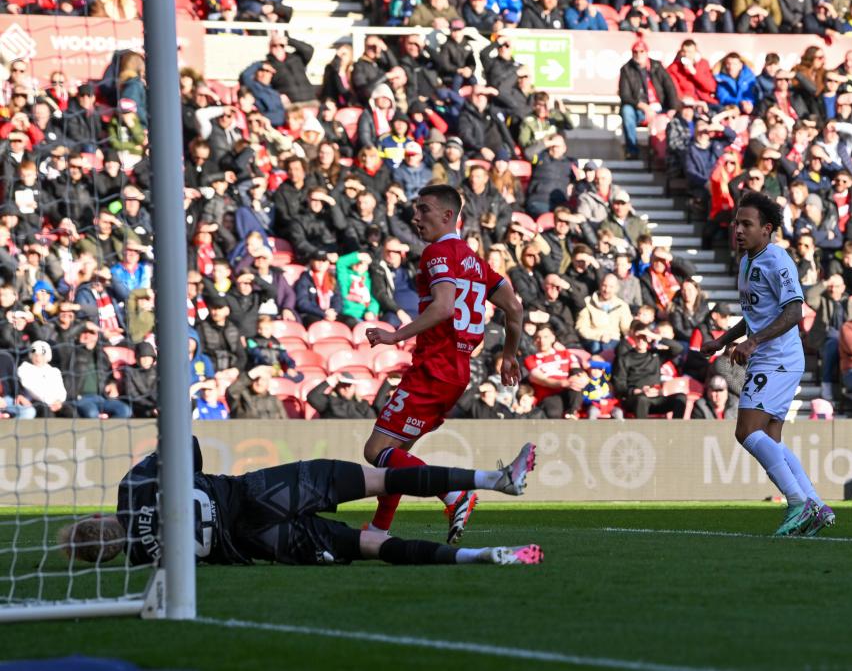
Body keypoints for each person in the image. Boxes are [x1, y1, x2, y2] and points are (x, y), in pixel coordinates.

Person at [60, 437, 542, 568]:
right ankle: (495, 479)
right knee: (382, 477)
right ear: (99, 516)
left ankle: (478, 557)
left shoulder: (145, 559)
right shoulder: (132, 487)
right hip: (255, 493)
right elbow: (184, 446)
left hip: (260, 542)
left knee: (370, 545)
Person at [363, 185, 524, 543]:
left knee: (375, 451)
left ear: (448, 216)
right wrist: (510, 354)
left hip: (434, 366)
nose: (416, 218)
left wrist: (395, 335)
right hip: (458, 370)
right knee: (396, 455)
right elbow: (514, 308)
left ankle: (455, 495)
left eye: (424, 210)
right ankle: (378, 528)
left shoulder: (437, 252)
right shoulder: (473, 259)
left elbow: (444, 306)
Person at [701, 191, 833, 536]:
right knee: (770, 438)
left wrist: (754, 342)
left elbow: (794, 311)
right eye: (736, 224)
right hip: (768, 358)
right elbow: (756, 315)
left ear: (767, 229)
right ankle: (815, 504)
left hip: (778, 359)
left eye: (747, 224)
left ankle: (797, 503)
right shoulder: (747, 261)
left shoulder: (777, 261)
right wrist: (723, 340)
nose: (738, 230)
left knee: (746, 431)